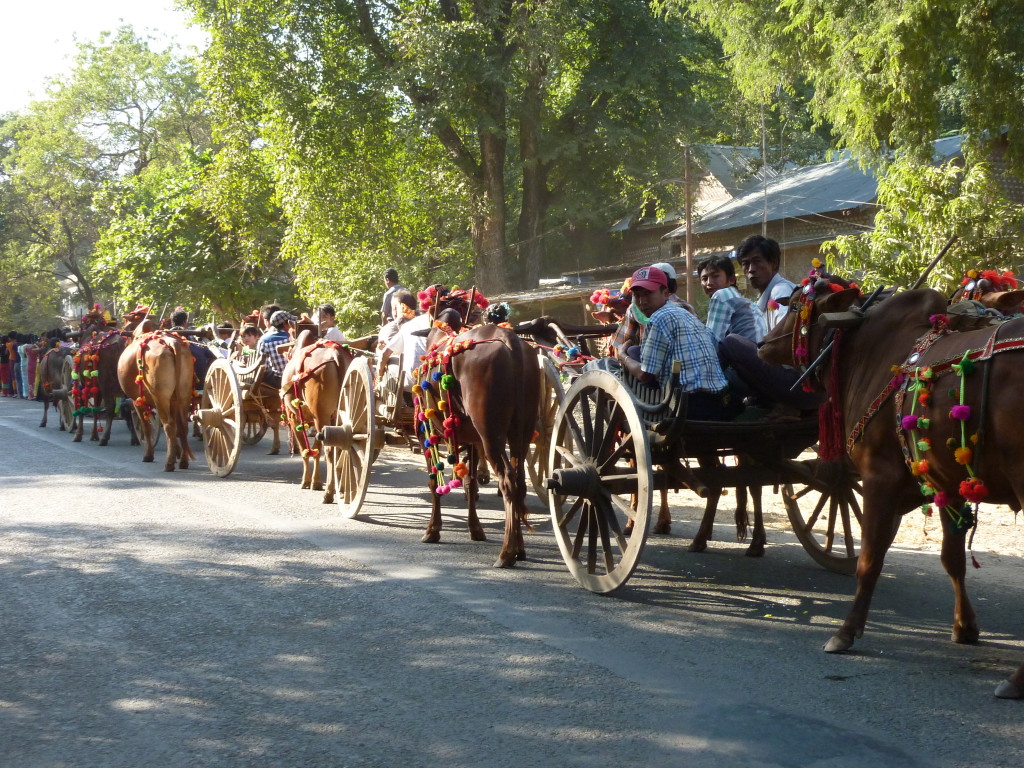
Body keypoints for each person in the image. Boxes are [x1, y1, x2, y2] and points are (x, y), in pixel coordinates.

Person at [619, 266, 734, 421]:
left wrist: (623, 356)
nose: (642, 301)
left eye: (648, 294)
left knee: (632, 352)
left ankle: (647, 414)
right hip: (721, 400)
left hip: (690, 405)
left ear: (665, 293)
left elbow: (645, 375)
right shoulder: (687, 314)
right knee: (637, 352)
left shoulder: (658, 318)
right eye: (637, 295)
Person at [699, 255, 767, 343]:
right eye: (704, 279)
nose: (709, 283)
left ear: (731, 279)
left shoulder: (721, 295)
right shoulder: (745, 302)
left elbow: (711, 342)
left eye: (715, 276)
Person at [736, 235, 796, 331]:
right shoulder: (764, 298)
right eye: (746, 264)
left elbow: (787, 332)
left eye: (757, 261)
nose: (751, 269)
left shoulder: (780, 291)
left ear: (774, 263)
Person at [377, 298, 430, 389]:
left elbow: (385, 354)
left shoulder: (408, 325)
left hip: (413, 383)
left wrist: (379, 377)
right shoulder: (450, 324)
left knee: (390, 360)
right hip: (433, 378)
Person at [258, 310, 296, 388]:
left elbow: (264, 366)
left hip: (278, 380)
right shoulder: (294, 336)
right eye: (291, 323)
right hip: (296, 376)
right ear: (285, 324)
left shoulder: (264, 340)